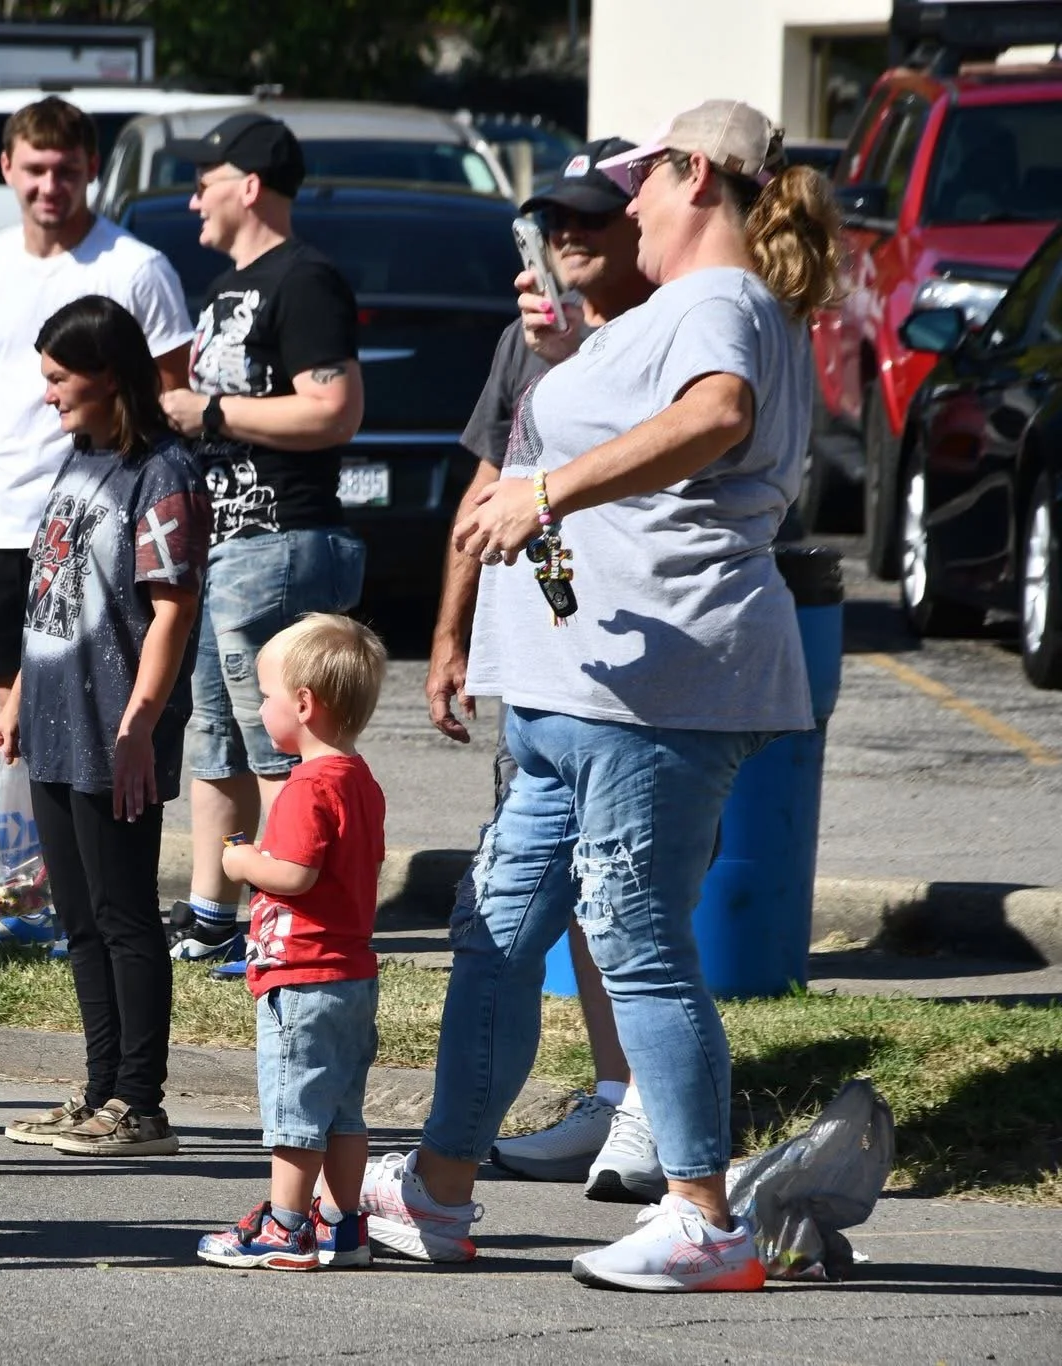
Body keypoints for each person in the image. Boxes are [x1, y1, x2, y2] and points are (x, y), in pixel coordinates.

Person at [361, 99, 841, 1294]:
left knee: (634, 940)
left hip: (658, 688)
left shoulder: (722, 301)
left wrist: (547, 492)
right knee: (496, 932)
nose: (624, 202)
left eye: (641, 180)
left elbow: (714, 416)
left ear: (695, 176)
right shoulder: (670, 308)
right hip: (570, 692)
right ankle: (438, 1188)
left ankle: (700, 1215)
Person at [426, 139, 666, 1200]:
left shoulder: (665, 339)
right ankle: (576, 1110)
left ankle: (661, 1132)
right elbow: (484, 489)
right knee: (513, 912)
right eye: (543, 232)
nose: (555, 252)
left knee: (635, 902)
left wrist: (578, 357)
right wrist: (448, 635)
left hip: (622, 675)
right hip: (533, 671)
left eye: (579, 228)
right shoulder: (520, 344)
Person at [0, 96, 193, 957]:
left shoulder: (137, 267)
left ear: (91, 170)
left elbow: (169, 391)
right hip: (6, 523)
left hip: (111, 527)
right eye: (34, 168)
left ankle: (78, 901)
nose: (50, 185)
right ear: (7, 167)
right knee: (18, 720)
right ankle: (16, 895)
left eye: (67, 170)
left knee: (97, 719)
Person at [0, 296, 208, 1157]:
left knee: (124, 915)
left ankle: (141, 1105)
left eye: (57, 378)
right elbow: (50, 590)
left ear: (108, 375)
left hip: (116, 731)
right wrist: (12, 707)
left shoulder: (165, 471)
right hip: (51, 722)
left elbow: (172, 613)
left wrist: (141, 726)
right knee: (78, 918)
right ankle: (99, 1088)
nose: (47, 396)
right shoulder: (80, 459)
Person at [156, 113, 367, 965]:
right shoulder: (227, 286)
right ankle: (213, 916)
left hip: (277, 539)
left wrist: (207, 411)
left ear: (248, 185)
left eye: (203, 180)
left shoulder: (304, 279)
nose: (192, 198)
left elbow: (333, 408)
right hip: (225, 545)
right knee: (217, 736)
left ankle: (292, 915)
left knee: (280, 736)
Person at [196, 613, 388, 1271]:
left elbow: (295, 875)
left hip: (303, 976)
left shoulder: (309, 785)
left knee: (294, 1112)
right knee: (341, 1112)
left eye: (266, 697)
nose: (261, 709)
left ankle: (284, 1227)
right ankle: (342, 1223)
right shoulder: (358, 779)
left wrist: (242, 862)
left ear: (304, 705)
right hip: (350, 975)